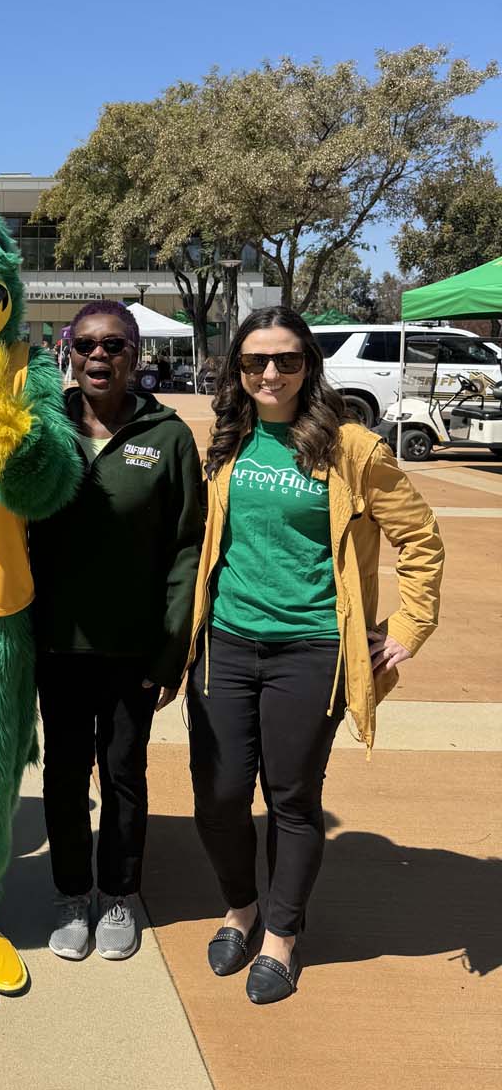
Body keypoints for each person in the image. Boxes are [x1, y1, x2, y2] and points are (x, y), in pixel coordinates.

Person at [186, 307, 444, 1003]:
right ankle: (240, 908)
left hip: (313, 647)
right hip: (227, 643)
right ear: (238, 372)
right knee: (219, 795)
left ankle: (281, 934)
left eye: (287, 360)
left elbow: (420, 541)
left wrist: (407, 629)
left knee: (293, 797)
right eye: (255, 362)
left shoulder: (352, 448)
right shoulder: (230, 438)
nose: (271, 373)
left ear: (310, 366)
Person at [30, 300, 204, 961]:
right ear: (69, 352)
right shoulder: (42, 428)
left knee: (124, 771)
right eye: (86, 346)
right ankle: (73, 892)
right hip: (57, 643)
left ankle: (120, 893)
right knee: (65, 773)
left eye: (116, 347)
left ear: (136, 355)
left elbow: (188, 546)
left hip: (134, 646)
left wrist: (171, 647)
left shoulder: (169, 436)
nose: (99, 358)